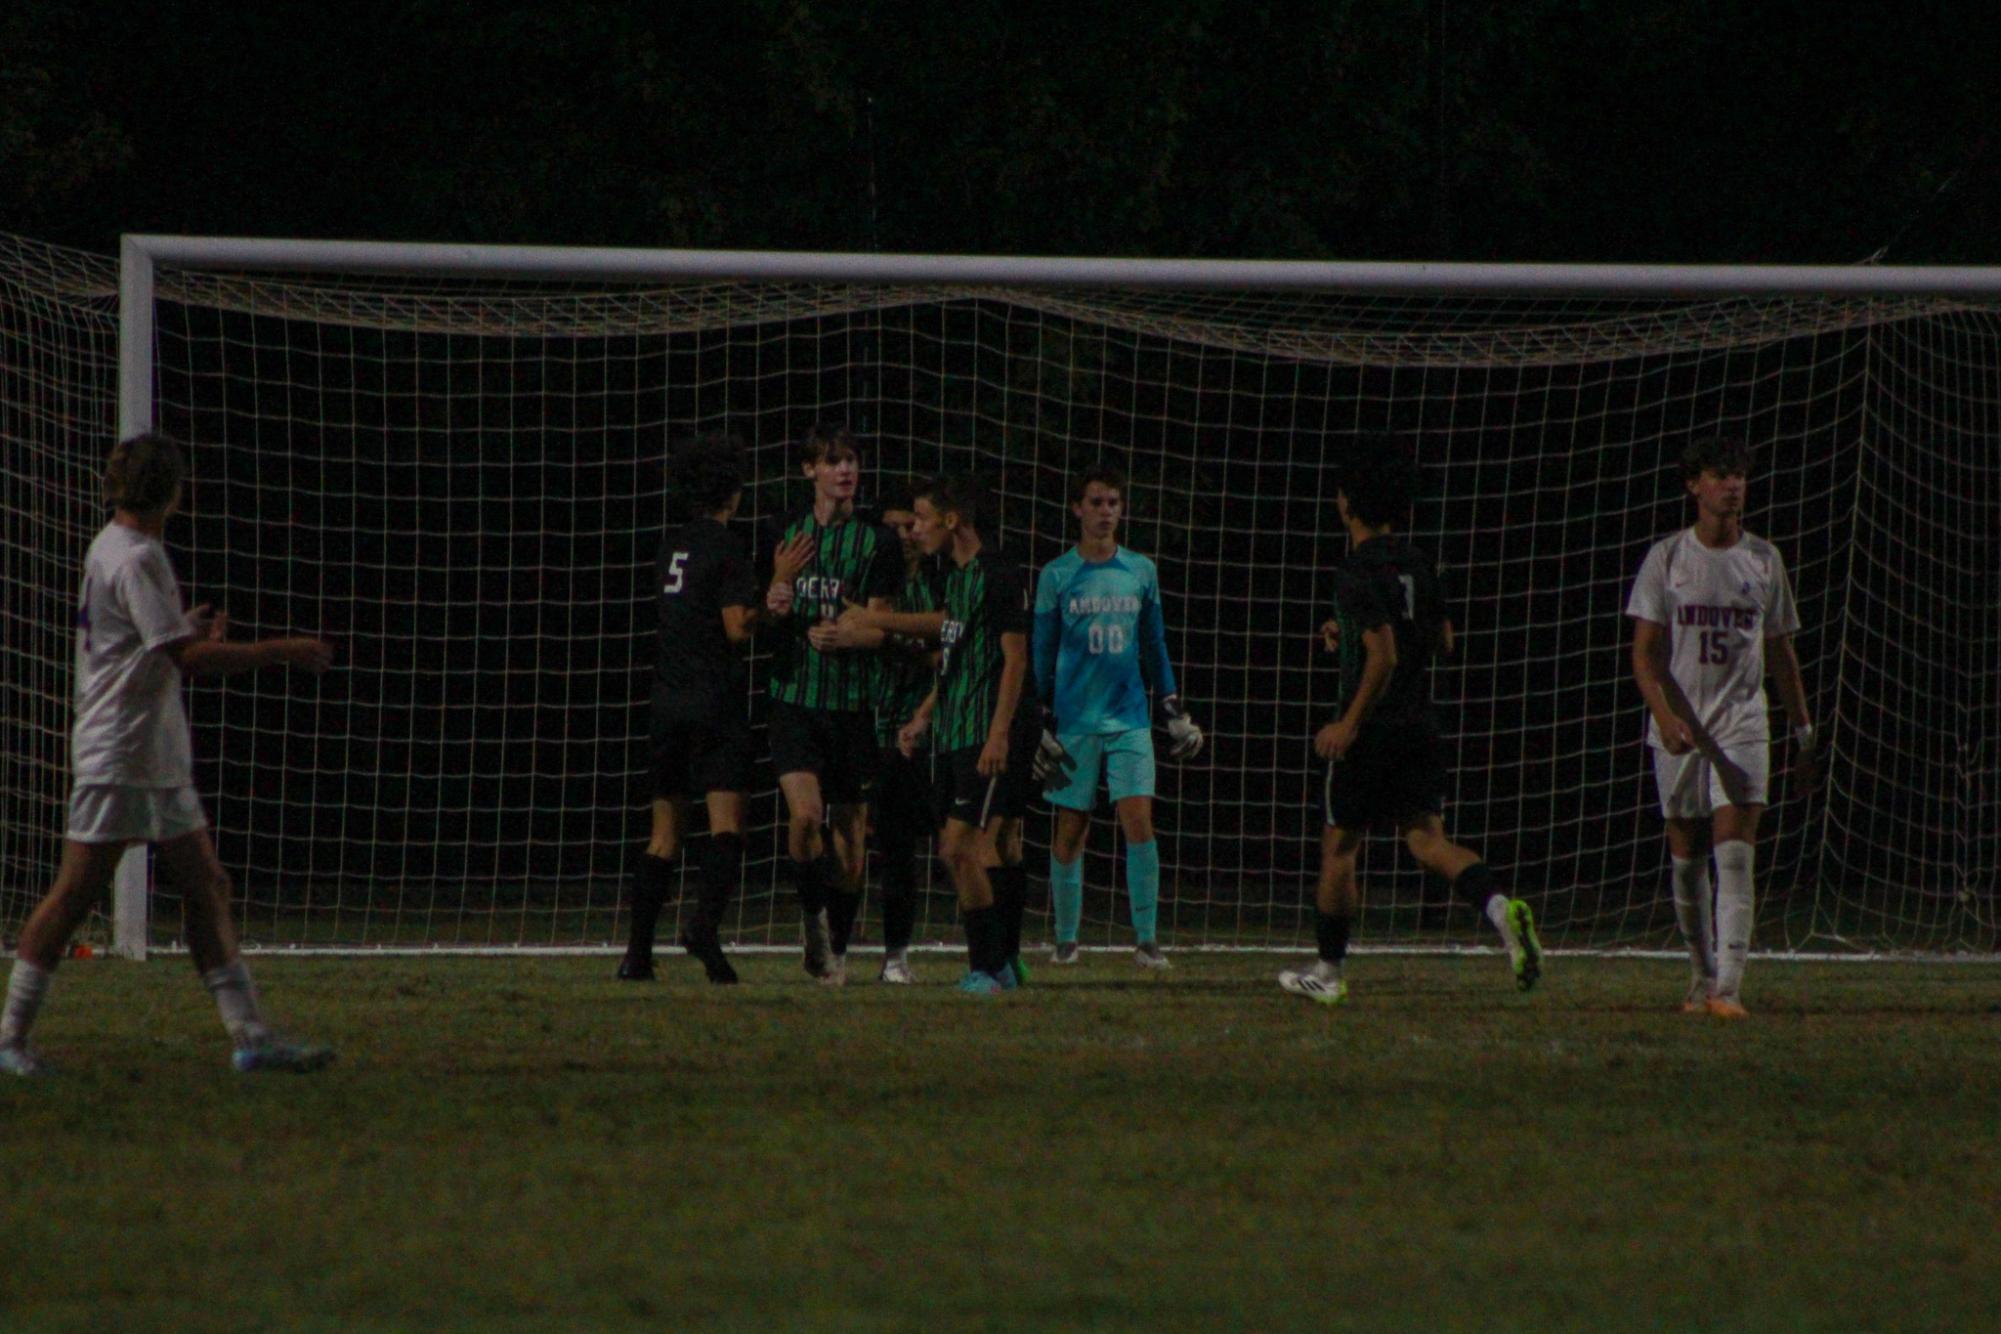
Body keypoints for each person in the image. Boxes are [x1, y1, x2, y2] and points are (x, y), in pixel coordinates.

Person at [0, 432, 336, 1076]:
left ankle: (250, 1036)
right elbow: (184, 659)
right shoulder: (135, 559)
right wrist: (283, 650)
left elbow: (154, 645)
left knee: (207, 883)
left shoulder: (124, 548)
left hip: (152, 751)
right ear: (174, 493)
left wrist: (184, 630)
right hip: (121, 751)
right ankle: (10, 1036)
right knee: (74, 895)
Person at [1280, 439, 1541, 1006]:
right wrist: (1344, 633)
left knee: (1341, 846)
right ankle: (1501, 909)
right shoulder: (1420, 562)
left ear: (1346, 505)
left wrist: (1348, 722)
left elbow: (1385, 654)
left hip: (1369, 730)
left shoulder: (1352, 569)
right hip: (1420, 725)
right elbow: (1442, 639)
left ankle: (1327, 972)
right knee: (1427, 842)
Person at [1626, 437, 1814, 1019]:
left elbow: (1781, 651)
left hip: (1742, 723)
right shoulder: (1667, 558)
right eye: (1720, 474)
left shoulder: (1764, 559)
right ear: (1694, 485)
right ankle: (1700, 975)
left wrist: (1803, 729)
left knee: (1734, 853)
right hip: (1681, 725)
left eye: (1739, 476)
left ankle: (1728, 989)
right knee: (1685, 856)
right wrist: (1664, 716)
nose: (1733, 485)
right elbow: (1644, 654)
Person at [620, 432, 808, 985]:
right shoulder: (727, 549)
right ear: (734, 493)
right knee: (726, 827)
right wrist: (776, 588)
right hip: (714, 703)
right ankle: (703, 928)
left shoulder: (671, 546)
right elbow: (735, 628)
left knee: (663, 835)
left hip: (666, 702)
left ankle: (636, 955)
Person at [840, 475, 1039, 994]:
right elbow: (953, 654)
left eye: (924, 519)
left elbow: (1015, 659)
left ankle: (990, 967)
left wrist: (999, 735)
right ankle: (1002, 964)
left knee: (961, 848)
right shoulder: (955, 578)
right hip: (953, 729)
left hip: (985, 731)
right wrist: (925, 714)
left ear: (952, 521)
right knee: (972, 850)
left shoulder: (998, 573)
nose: (916, 529)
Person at [1031, 464, 1203, 969]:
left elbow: (1154, 644)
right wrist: (1038, 717)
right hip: (1075, 723)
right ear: (1077, 509)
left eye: (1113, 503)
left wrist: (1172, 707)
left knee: (1139, 823)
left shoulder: (1141, 570)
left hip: (1129, 719)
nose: (1106, 511)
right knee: (1070, 828)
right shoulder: (1057, 575)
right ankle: (1066, 941)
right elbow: (1042, 652)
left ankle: (1147, 940)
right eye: (1096, 502)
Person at [760, 425, 902, 985]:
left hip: (852, 707)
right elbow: (765, 613)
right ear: (809, 471)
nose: (845, 471)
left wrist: (851, 635)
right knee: (804, 818)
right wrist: (776, 591)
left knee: (850, 850)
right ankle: (813, 924)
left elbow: (883, 627)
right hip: (794, 699)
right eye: (833, 461)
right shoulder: (782, 533)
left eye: (852, 461)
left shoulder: (878, 544)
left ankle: (836, 951)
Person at [808, 482, 939, 983]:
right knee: (847, 840)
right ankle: (836, 947)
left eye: (912, 525)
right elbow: (840, 631)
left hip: (909, 731)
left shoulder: (936, 584)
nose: (905, 535)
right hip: (857, 720)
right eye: (894, 527)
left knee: (901, 845)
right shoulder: (855, 579)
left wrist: (891, 639)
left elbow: (945, 653)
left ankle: (896, 956)